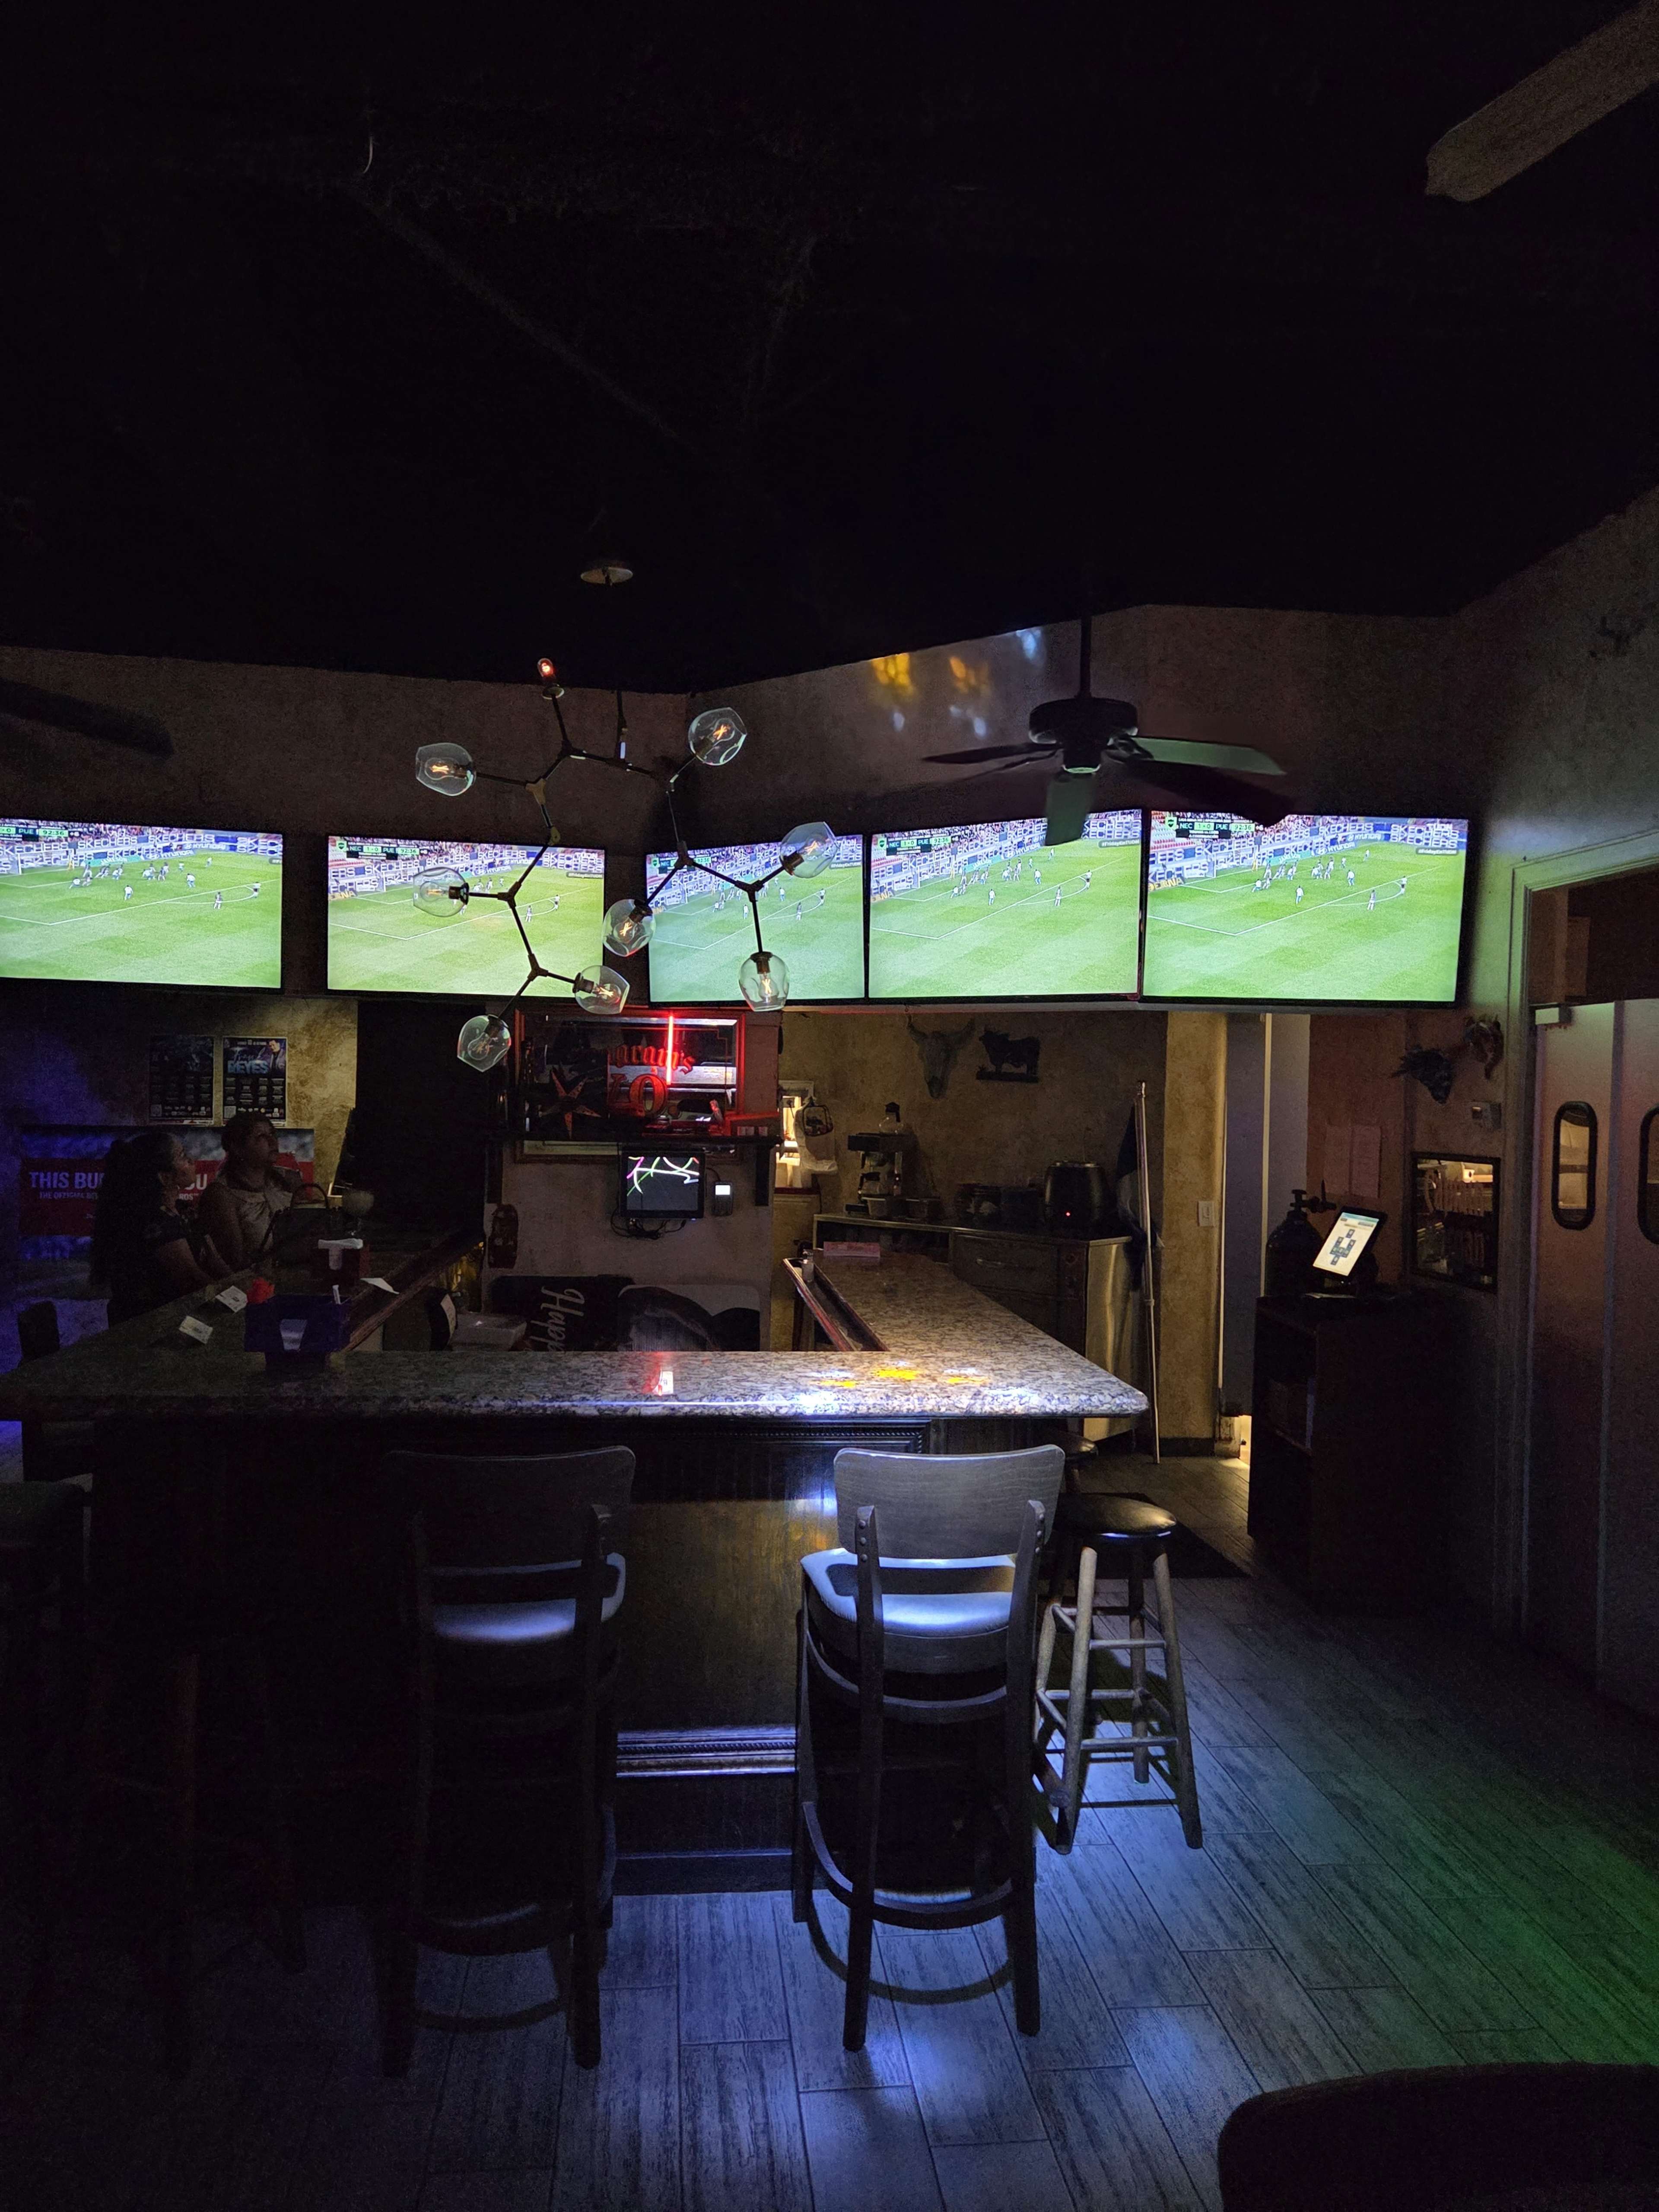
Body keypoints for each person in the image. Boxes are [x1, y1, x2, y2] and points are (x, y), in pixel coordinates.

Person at [90, 1131, 229, 1326]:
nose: (191, 1160)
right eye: (182, 1156)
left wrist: (240, 1287)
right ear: (164, 1177)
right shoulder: (153, 1220)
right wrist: (232, 1300)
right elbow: (191, 1279)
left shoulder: (183, 1210)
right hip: (150, 1327)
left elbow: (213, 1259)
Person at [198, 1112, 305, 1270]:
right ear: (237, 1148)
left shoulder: (290, 1179)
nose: (272, 1141)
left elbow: (309, 1234)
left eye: (272, 1134)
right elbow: (235, 1261)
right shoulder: (221, 1195)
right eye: (261, 1136)